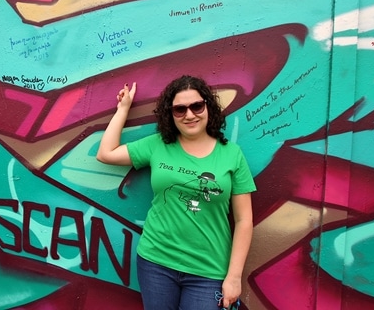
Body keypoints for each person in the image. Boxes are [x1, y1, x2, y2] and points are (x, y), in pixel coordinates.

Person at [96, 75, 256, 310]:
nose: (189, 115)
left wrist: (233, 277)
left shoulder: (232, 154)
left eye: (196, 106)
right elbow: (106, 154)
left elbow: (244, 220)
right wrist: (123, 109)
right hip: (156, 262)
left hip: (208, 270)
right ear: (170, 114)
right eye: (179, 110)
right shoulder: (159, 144)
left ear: (208, 107)